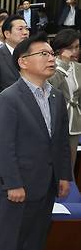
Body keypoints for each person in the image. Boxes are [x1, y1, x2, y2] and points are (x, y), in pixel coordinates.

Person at [0, 33, 71, 250]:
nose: (51, 59)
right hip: (18, 183)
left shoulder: (57, 97)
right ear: (23, 62)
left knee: (35, 239)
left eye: (52, 54)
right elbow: (4, 146)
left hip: (46, 182)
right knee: (11, 238)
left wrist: (63, 175)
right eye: (44, 54)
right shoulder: (9, 98)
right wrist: (13, 182)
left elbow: (60, 141)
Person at [49, 29, 81, 170]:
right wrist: (63, 65)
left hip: (74, 121)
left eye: (77, 47)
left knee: (69, 164)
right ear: (60, 48)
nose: (75, 51)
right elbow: (51, 88)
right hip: (53, 119)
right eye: (70, 48)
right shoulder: (49, 65)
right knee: (51, 162)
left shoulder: (79, 68)